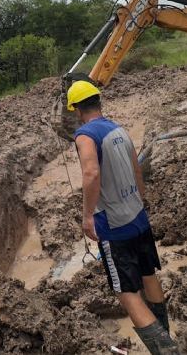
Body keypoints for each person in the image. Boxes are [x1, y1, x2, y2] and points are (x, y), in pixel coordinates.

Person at [68, 81, 179, 354]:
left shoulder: (84, 135)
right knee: (147, 274)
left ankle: (166, 350)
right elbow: (137, 171)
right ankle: (165, 334)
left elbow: (91, 174)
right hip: (137, 217)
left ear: (77, 110)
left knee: (126, 293)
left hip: (114, 227)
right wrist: (138, 202)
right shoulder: (119, 129)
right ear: (98, 102)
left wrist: (86, 218)